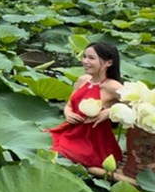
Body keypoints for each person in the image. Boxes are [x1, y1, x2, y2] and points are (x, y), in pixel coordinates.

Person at [49, 42, 123, 172]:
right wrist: (68, 113)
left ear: (109, 63)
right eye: (84, 57)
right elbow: (69, 105)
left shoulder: (112, 86)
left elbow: (135, 105)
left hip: (91, 140)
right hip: (70, 131)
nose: (85, 61)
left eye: (91, 58)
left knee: (57, 154)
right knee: (40, 142)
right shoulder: (83, 80)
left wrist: (110, 112)